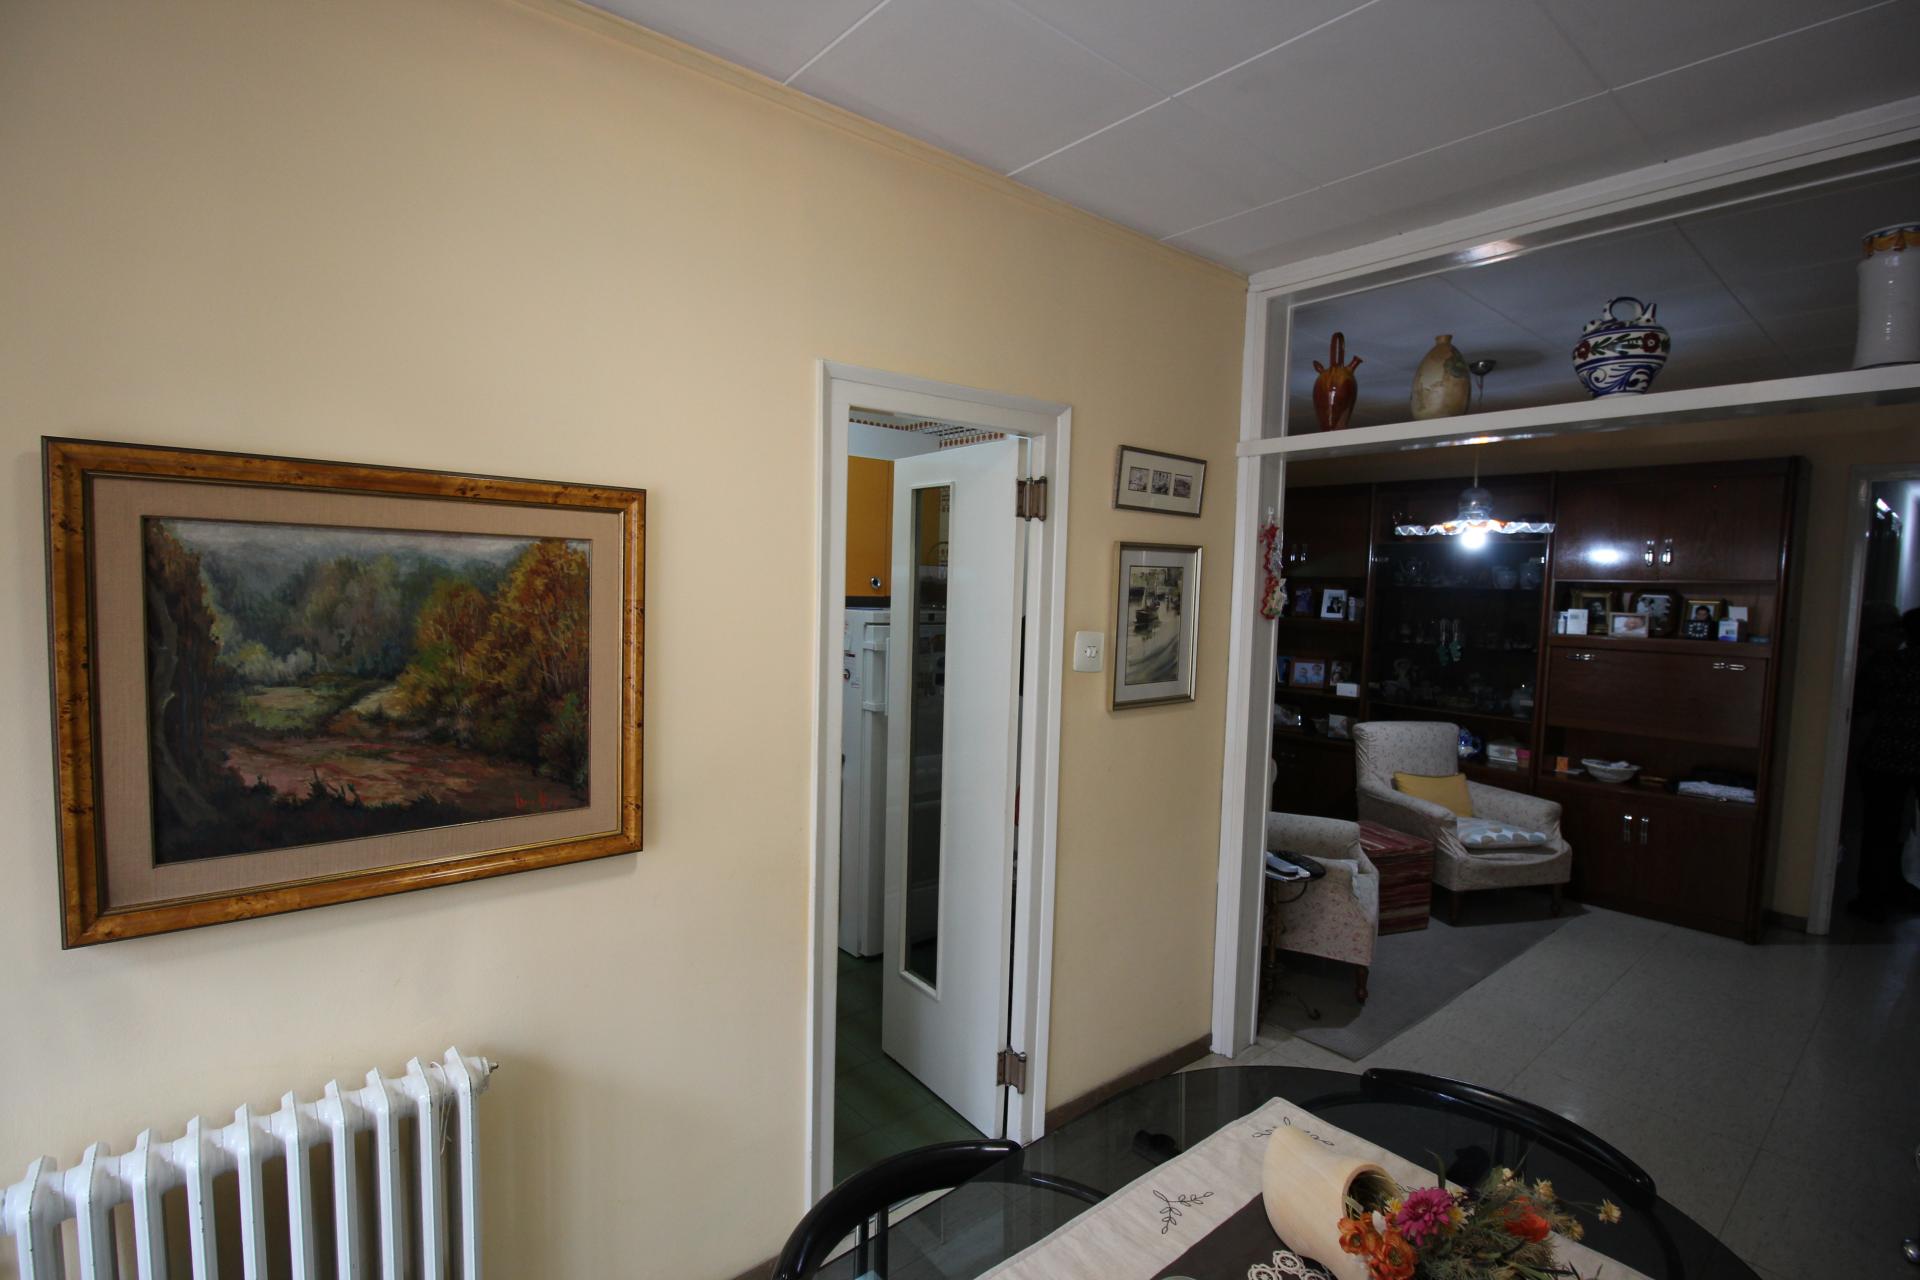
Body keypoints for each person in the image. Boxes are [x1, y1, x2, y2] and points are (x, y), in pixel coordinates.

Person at [1851, 607, 1920, 920]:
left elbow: (1861, 708)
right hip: (1895, 758)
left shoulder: (1886, 665)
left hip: (1883, 759)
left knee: (1880, 829)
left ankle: (1873, 896)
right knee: (1893, 829)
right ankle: (1889, 887)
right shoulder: (1885, 663)